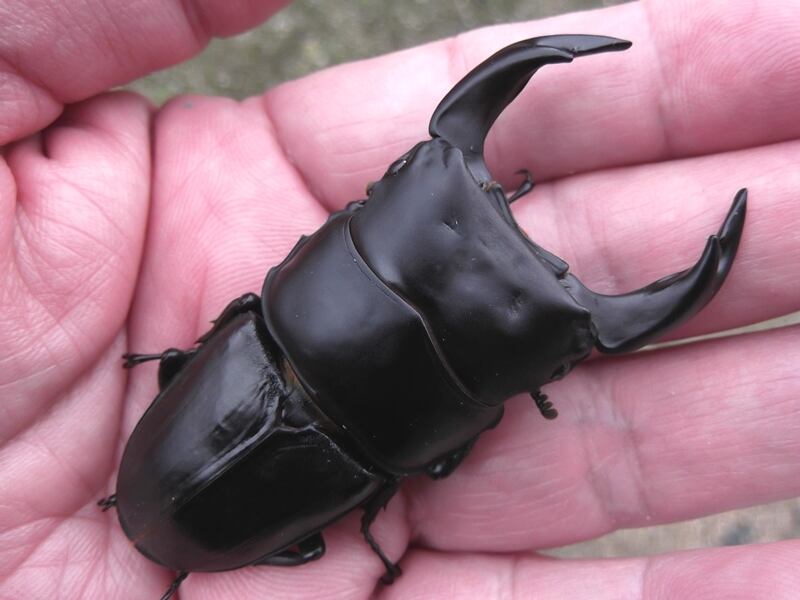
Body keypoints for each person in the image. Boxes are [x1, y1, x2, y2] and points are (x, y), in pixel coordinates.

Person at [1, 0, 798, 598]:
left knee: (238, 346)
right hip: (309, 459)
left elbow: (254, 320)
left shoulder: (252, 326)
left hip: (238, 455)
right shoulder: (268, 340)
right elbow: (432, 460)